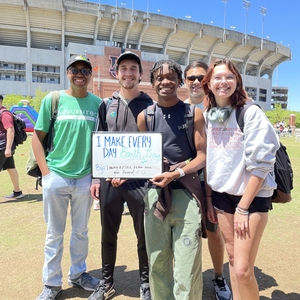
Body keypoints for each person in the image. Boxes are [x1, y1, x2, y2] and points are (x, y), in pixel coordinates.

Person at [201, 58, 280, 300]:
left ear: (237, 81)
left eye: (229, 77)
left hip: (252, 198)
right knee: (234, 261)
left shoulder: (250, 112)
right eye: (217, 77)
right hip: (223, 197)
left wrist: (244, 207)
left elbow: (263, 163)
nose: (223, 82)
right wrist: (210, 197)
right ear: (209, 84)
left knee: (244, 270)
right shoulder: (212, 114)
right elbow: (214, 159)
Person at [136, 59, 206, 300]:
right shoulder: (145, 117)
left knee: (187, 269)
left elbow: (202, 156)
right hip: (155, 196)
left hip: (187, 195)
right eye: (160, 77)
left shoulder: (193, 113)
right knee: (157, 263)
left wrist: (177, 173)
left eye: (171, 77)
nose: (165, 81)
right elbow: (143, 158)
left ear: (179, 81)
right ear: (152, 82)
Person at [33, 54, 101, 300]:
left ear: (90, 75)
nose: (80, 74)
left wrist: (96, 177)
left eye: (85, 70)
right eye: (75, 69)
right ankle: (51, 283)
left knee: (81, 231)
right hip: (56, 176)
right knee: (54, 233)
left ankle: (78, 274)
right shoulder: (54, 100)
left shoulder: (98, 104)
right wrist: (46, 173)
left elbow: (101, 142)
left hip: (85, 178)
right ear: (68, 73)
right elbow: (37, 138)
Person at [89, 51, 152, 300]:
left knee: (144, 233)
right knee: (108, 232)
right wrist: (96, 178)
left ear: (140, 73)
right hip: (109, 181)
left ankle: (145, 283)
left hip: (140, 181)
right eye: (123, 68)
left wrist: (130, 171)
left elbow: (151, 148)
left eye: (133, 68)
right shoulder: (106, 104)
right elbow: (98, 143)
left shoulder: (150, 106)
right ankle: (106, 283)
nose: (128, 73)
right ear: (116, 73)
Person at [184, 61, 232, 300]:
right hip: (183, 181)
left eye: (200, 77)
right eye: (190, 77)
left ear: (208, 81)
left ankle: (218, 275)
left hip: (213, 181)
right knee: (186, 230)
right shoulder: (178, 108)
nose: (195, 82)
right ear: (185, 80)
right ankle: (186, 276)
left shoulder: (218, 110)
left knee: (213, 231)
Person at [0, 94, 24, 199]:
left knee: (11, 168)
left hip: (3, 146)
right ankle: (17, 192)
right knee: (11, 168)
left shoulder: (4, 114)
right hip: (5, 146)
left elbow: (10, 130)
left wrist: (8, 148)